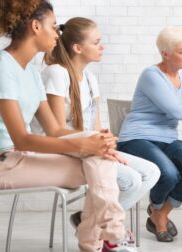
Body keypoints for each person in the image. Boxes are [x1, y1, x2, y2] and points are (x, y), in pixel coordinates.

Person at [0, 1, 137, 251]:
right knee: (98, 164)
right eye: (54, 27)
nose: (58, 34)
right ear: (35, 26)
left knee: (99, 157)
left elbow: (54, 129)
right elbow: (21, 138)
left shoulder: (31, 71)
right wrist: (84, 143)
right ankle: (108, 235)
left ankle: (101, 239)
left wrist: (95, 141)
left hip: (19, 156)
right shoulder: (0, 67)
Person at [31, 17, 160, 226]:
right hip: (58, 148)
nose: (102, 46)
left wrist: (108, 146)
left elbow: (96, 127)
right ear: (78, 48)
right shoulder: (57, 74)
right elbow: (56, 131)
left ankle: (88, 221)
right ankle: (103, 229)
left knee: (152, 172)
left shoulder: (90, 79)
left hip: (86, 146)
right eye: (96, 42)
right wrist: (99, 146)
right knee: (131, 180)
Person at [117, 26, 182, 242]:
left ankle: (160, 213)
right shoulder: (151, 75)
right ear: (165, 53)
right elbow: (176, 111)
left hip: (166, 139)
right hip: (137, 138)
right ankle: (157, 214)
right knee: (169, 173)